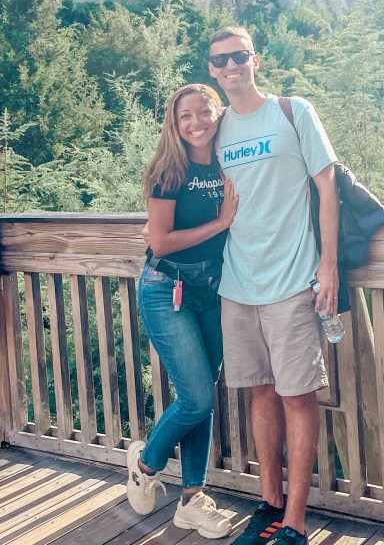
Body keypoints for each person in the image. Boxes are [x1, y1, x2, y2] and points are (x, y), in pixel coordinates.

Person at [207, 26, 340, 545]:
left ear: (255, 60)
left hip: (292, 281)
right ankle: (270, 504)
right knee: (260, 391)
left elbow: (326, 186)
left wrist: (328, 265)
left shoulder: (293, 111)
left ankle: (296, 522)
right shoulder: (216, 129)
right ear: (212, 70)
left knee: (297, 396)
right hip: (237, 284)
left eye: (239, 56)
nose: (231, 66)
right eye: (221, 60)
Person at [126, 83, 238, 539]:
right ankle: (145, 466)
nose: (195, 123)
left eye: (203, 112)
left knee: (201, 394)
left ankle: (192, 499)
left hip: (213, 289)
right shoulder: (168, 170)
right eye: (184, 116)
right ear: (173, 123)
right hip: (166, 288)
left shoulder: (229, 160)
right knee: (198, 397)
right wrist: (221, 222)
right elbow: (159, 242)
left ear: (218, 113)